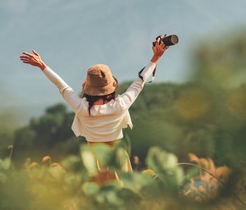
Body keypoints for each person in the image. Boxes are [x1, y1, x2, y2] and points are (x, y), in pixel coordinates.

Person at [19, 37, 167, 183]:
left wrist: (42, 65)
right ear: (111, 86)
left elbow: (61, 86)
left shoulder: (82, 108)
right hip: (118, 158)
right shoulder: (120, 105)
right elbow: (140, 82)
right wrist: (156, 57)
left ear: (88, 88)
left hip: (93, 159)